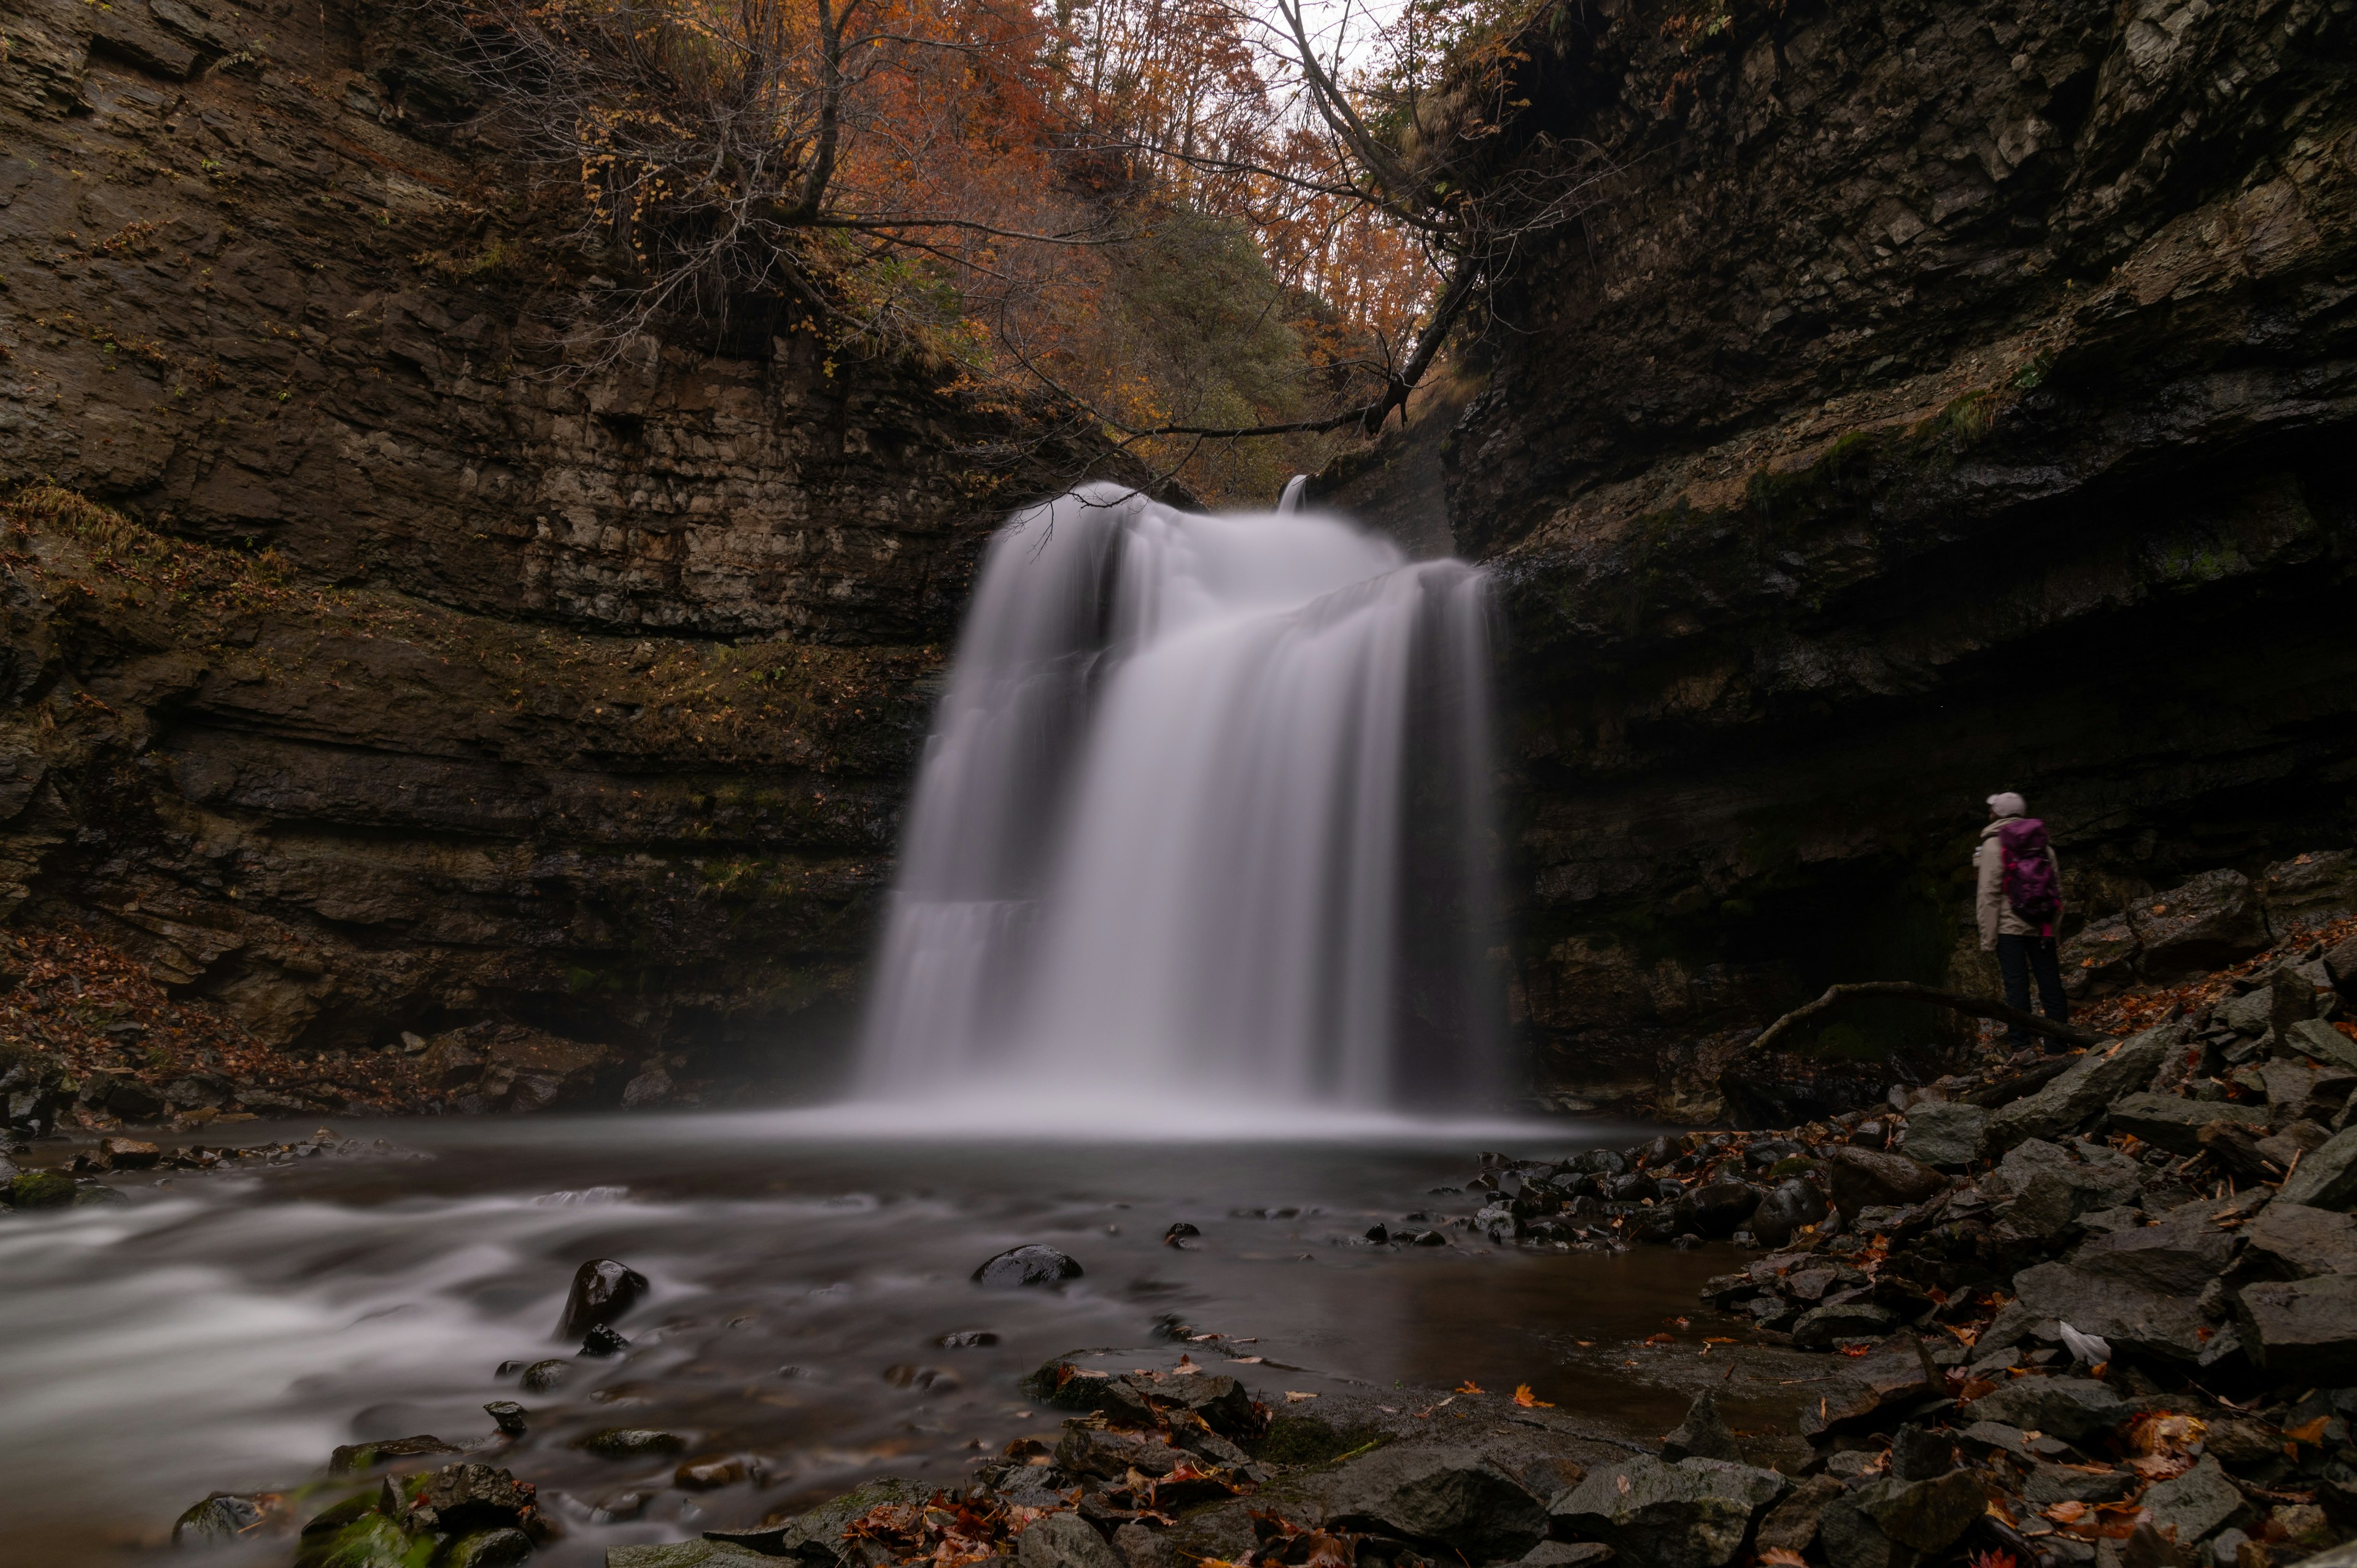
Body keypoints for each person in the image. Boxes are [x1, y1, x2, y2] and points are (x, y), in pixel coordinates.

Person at [1975, 790, 2069, 1050]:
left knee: (2016, 989)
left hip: (2009, 928)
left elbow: (1988, 894)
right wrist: (2054, 929)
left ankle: (2022, 1048)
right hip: (2042, 926)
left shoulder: (1994, 845)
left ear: (1997, 814)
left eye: (1992, 809)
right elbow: (2057, 890)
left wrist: (1988, 938)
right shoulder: (2043, 843)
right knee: (2051, 985)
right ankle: (2058, 1046)